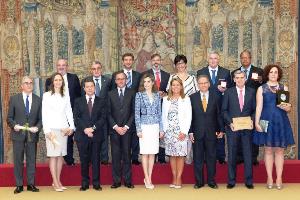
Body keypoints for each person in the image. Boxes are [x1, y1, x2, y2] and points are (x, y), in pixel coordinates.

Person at [253, 64, 294, 189]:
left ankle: (279, 178)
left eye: (276, 72)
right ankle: (270, 177)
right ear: (267, 74)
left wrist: (288, 107)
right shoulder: (261, 89)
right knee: (268, 150)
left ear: (279, 74)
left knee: (280, 150)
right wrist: (256, 122)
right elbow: (258, 107)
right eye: (271, 72)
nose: (273, 74)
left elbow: (287, 107)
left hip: (280, 121)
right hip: (266, 122)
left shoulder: (283, 87)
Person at [7, 76, 42, 194]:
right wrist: (14, 125)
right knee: (18, 160)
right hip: (18, 135)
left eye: (31, 83)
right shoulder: (14, 99)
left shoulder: (38, 100)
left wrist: (37, 127)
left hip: (32, 136)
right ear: (21, 85)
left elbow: (41, 119)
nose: (29, 85)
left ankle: (31, 184)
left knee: (32, 160)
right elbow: (9, 118)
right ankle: (19, 185)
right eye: (26, 83)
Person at [222, 70, 256, 189]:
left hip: (247, 129)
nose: (240, 79)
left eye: (242, 77)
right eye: (237, 77)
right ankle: (231, 181)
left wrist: (252, 120)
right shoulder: (228, 92)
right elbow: (224, 110)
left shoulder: (252, 92)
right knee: (231, 155)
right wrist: (230, 122)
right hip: (233, 129)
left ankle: (249, 181)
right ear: (234, 79)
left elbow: (255, 110)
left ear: (245, 78)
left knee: (248, 155)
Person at [189, 75, 224, 189]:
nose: (203, 85)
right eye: (200, 83)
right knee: (198, 158)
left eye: (205, 83)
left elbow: (219, 114)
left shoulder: (216, 96)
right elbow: (190, 116)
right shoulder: (192, 97)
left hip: (212, 132)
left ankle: (211, 181)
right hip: (197, 132)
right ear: (198, 85)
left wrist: (221, 130)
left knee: (211, 157)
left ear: (209, 84)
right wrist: (190, 132)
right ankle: (199, 182)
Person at [42, 72, 75, 192]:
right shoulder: (46, 95)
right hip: (52, 130)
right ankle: (55, 182)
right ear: (52, 82)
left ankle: (57, 181)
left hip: (63, 130)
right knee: (53, 155)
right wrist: (47, 131)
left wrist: (72, 127)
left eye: (60, 80)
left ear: (63, 82)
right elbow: (44, 114)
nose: (58, 82)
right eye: (55, 80)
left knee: (60, 155)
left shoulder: (65, 95)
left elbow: (69, 112)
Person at [197, 51, 231, 164]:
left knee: (220, 130)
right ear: (208, 59)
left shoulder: (226, 72)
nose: (213, 60)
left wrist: (225, 90)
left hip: (221, 106)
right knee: (207, 131)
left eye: (215, 58)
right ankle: (206, 157)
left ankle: (221, 156)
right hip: (205, 107)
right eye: (211, 58)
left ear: (218, 59)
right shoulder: (201, 72)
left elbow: (230, 89)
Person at [45, 59, 81, 166]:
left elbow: (78, 96)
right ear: (56, 66)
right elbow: (48, 100)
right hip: (55, 117)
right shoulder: (49, 80)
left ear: (67, 66)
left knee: (69, 138)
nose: (61, 67)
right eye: (59, 65)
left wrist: (76, 113)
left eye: (64, 65)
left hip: (71, 112)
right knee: (57, 142)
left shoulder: (74, 78)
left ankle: (69, 160)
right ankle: (62, 159)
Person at [231, 50, 264, 165]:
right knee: (239, 132)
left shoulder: (259, 71)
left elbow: (264, 85)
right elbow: (232, 89)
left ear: (251, 58)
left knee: (253, 132)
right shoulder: (235, 72)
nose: (245, 60)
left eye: (247, 57)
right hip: (239, 107)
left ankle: (253, 157)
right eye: (242, 58)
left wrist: (260, 80)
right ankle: (240, 157)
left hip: (254, 106)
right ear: (240, 59)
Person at [74, 78, 106, 191]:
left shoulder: (101, 101)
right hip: (82, 136)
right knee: (84, 160)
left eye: (91, 86)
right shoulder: (78, 101)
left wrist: (92, 129)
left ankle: (96, 183)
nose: (90, 88)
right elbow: (76, 118)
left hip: (96, 135)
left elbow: (103, 118)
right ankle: (85, 183)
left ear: (94, 87)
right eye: (87, 86)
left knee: (96, 159)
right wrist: (85, 129)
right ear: (84, 88)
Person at [166, 54, 198, 164]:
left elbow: (196, 94)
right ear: (175, 65)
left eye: (182, 63)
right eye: (178, 63)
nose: (180, 65)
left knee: (188, 131)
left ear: (186, 64)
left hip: (189, 108)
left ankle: (188, 157)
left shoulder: (192, 78)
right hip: (175, 111)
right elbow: (169, 94)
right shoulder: (172, 77)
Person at [111, 53, 141, 165]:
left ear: (133, 61)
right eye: (126, 60)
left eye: (130, 60)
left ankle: (134, 158)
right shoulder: (116, 75)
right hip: (118, 119)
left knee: (133, 141)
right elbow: (113, 96)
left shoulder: (138, 75)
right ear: (123, 61)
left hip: (131, 115)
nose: (128, 62)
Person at [135, 73, 164, 189]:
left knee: (152, 153)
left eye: (148, 81)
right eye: (144, 82)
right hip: (144, 127)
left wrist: (161, 129)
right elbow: (137, 114)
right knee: (145, 153)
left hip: (155, 127)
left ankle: (149, 177)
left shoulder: (157, 95)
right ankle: (146, 177)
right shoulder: (139, 95)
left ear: (153, 83)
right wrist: (138, 129)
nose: (146, 84)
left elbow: (160, 113)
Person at [162, 77, 192, 189]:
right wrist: (164, 131)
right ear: (170, 87)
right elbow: (163, 116)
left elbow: (188, 116)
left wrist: (184, 131)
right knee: (172, 156)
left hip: (181, 132)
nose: (175, 87)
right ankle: (174, 178)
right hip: (169, 132)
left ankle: (179, 178)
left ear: (181, 87)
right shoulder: (166, 99)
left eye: (177, 85)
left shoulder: (186, 99)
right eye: (173, 85)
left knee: (180, 156)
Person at [108, 71, 135, 189]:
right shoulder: (110, 94)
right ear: (115, 81)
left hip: (127, 130)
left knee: (127, 155)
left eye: (122, 79)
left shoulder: (132, 93)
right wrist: (116, 127)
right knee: (115, 156)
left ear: (126, 80)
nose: (120, 81)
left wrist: (126, 126)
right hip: (114, 130)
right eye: (118, 79)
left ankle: (128, 180)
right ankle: (117, 181)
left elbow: (134, 112)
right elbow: (108, 113)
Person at [81, 61, 111, 165]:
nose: (96, 70)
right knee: (90, 137)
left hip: (103, 115)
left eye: (98, 68)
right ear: (91, 70)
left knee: (104, 137)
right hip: (90, 114)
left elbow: (110, 97)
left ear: (101, 69)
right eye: (94, 68)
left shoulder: (108, 81)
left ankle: (104, 159)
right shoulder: (85, 81)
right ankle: (91, 159)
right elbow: (82, 99)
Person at [144, 53, 170, 163]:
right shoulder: (146, 74)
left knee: (162, 131)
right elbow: (142, 90)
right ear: (151, 62)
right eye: (154, 60)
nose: (156, 62)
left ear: (161, 61)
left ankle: (161, 158)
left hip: (163, 106)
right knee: (153, 133)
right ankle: (153, 158)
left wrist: (165, 94)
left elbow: (170, 90)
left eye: (158, 60)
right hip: (150, 108)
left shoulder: (167, 75)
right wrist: (155, 93)